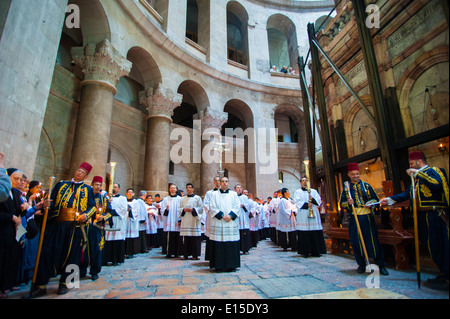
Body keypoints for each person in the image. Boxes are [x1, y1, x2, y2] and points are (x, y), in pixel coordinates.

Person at [380, 151, 448, 289]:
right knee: (432, 246)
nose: (410, 166)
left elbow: (437, 184)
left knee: (440, 245)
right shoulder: (416, 180)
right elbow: (408, 193)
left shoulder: (434, 171)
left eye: (412, 163)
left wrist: (416, 173)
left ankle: (447, 276)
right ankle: (444, 272)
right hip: (422, 216)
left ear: (419, 161)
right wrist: (390, 199)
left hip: (434, 215)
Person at [30, 162, 97, 297]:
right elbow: (52, 200)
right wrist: (48, 203)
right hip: (58, 224)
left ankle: (66, 283)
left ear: (86, 175)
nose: (78, 173)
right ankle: (40, 285)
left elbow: (93, 207)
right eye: (78, 170)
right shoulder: (61, 185)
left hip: (75, 227)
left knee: (72, 255)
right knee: (48, 252)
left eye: (82, 172)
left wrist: (86, 215)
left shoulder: (87, 189)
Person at [339, 163, 388, 276]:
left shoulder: (366, 186)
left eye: (357, 174)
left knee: (373, 240)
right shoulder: (346, 189)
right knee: (357, 241)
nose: (355, 176)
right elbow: (342, 203)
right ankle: (362, 264)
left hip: (367, 217)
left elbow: (375, 199)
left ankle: (380, 265)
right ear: (349, 175)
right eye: (353, 174)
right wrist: (348, 203)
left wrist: (371, 203)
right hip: (355, 218)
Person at [81, 176, 116, 281]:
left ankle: (94, 272)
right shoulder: (85, 197)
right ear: (92, 185)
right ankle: (81, 271)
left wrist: (103, 217)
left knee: (97, 249)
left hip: (98, 228)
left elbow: (110, 212)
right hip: (84, 227)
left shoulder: (103, 199)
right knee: (83, 250)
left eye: (100, 185)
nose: (98, 187)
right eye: (96, 184)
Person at [0, 168, 27, 298]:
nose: (19, 181)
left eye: (21, 179)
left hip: (13, 232)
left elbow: (19, 213)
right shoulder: (2, 192)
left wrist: (24, 209)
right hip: (2, 230)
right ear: (7, 177)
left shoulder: (16, 194)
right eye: (16, 178)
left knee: (11, 258)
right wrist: (11, 217)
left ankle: (7, 284)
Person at [209, 177, 241, 272]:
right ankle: (218, 266)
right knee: (218, 244)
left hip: (230, 223)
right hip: (219, 221)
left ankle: (231, 265)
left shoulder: (234, 194)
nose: (224, 183)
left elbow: (237, 206)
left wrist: (230, 216)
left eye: (226, 181)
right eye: (222, 181)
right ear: (219, 183)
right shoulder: (214, 194)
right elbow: (212, 207)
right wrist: (222, 215)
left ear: (228, 183)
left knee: (230, 243)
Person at [293, 177, 327, 258]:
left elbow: (319, 200)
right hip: (304, 214)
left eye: (306, 181)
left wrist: (313, 200)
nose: (305, 182)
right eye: (303, 181)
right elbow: (297, 202)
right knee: (304, 233)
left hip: (314, 213)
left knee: (314, 231)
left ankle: (316, 251)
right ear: (300, 183)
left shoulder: (314, 191)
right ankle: (305, 251)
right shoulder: (297, 192)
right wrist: (306, 204)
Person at [103, 183, 128, 266]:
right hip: (108, 221)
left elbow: (123, 209)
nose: (113, 188)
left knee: (117, 239)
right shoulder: (106, 198)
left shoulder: (123, 198)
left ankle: (116, 259)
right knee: (107, 239)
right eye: (112, 187)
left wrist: (112, 211)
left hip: (118, 221)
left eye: (115, 187)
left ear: (119, 189)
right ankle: (106, 259)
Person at [178, 183, 203, 260]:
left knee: (195, 238)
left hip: (194, 220)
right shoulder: (182, 199)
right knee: (186, 238)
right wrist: (183, 210)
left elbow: (201, 209)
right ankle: (186, 254)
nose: (188, 189)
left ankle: (195, 255)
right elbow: (179, 208)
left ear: (193, 189)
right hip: (186, 220)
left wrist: (193, 210)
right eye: (187, 188)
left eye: (190, 188)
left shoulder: (197, 198)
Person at [160, 184, 182, 258]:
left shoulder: (179, 199)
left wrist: (180, 219)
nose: (173, 189)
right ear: (169, 189)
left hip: (176, 219)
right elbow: (162, 210)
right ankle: (169, 252)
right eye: (171, 188)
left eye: (174, 188)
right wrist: (166, 210)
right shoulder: (166, 199)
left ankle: (177, 253)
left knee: (177, 237)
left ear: (176, 190)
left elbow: (181, 210)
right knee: (169, 237)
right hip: (169, 220)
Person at [202, 176, 220, 261]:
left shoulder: (225, 193)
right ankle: (211, 256)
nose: (217, 182)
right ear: (214, 182)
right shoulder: (209, 193)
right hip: (211, 217)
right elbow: (205, 204)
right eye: (216, 181)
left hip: (221, 218)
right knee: (211, 236)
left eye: (219, 181)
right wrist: (213, 209)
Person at [235, 184, 252, 254]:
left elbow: (248, 206)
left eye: (240, 187)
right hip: (237, 217)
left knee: (245, 233)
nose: (239, 189)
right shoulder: (234, 197)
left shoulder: (245, 197)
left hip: (244, 217)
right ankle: (237, 249)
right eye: (237, 188)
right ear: (235, 189)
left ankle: (245, 249)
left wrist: (243, 206)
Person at [125, 188, 140, 258]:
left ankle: (131, 252)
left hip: (132, 221)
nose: (130, 194)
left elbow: (137, 211)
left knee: (131, 237)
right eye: (128, 192)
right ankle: (125, 252)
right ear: (126, 194)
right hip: (125, 221)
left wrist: (130, 211)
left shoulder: (135, 202)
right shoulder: (124, 201)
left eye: (131, 192)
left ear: (133, 194)